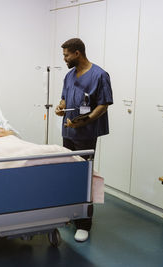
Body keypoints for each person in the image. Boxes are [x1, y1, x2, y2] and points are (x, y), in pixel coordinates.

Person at [55, 38, 113, 242]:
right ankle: (71, 214)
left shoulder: (99, 75)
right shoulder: (69, 75)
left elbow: (103, 105)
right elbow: (64, 97)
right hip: (68, 133)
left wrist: (85, 121)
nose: (64, 59)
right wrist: (60, 106)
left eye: (66, 55)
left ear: (77, 53)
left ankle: (84, 224)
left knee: (83, 178)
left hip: (85, 135)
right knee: (68, 176)